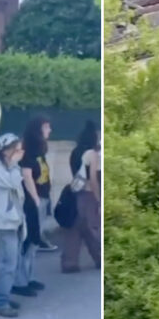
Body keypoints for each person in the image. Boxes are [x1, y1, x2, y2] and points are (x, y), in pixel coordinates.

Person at [0, 133, 35, 318]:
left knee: (8, 263)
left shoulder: (8, 167)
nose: (21, 152)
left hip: (12, 221)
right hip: (3, 223)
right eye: (18, 148)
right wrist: (15, 165)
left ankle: (3, 296)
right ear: (8, 149)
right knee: (8, 264)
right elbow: (12, 182)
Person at [61, 120, 102, 273]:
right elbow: (93, 178)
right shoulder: (92, 154)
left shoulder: (75, 152)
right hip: (88, 193)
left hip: (75, 192)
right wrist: (98, 198)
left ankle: (69, 262)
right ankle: (99, 257)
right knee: (92, 227)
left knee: (75, 228)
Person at [21, 116, 58, 256]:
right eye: (46, 127)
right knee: (31, 239)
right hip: (34, 200)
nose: (50, 130)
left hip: (43, 196)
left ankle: (29, 275)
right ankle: (25, 275)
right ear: (38, 130)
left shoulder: (40, 151)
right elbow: (26, 175)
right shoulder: (29, 152)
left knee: (34, 241)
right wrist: (35, 198)